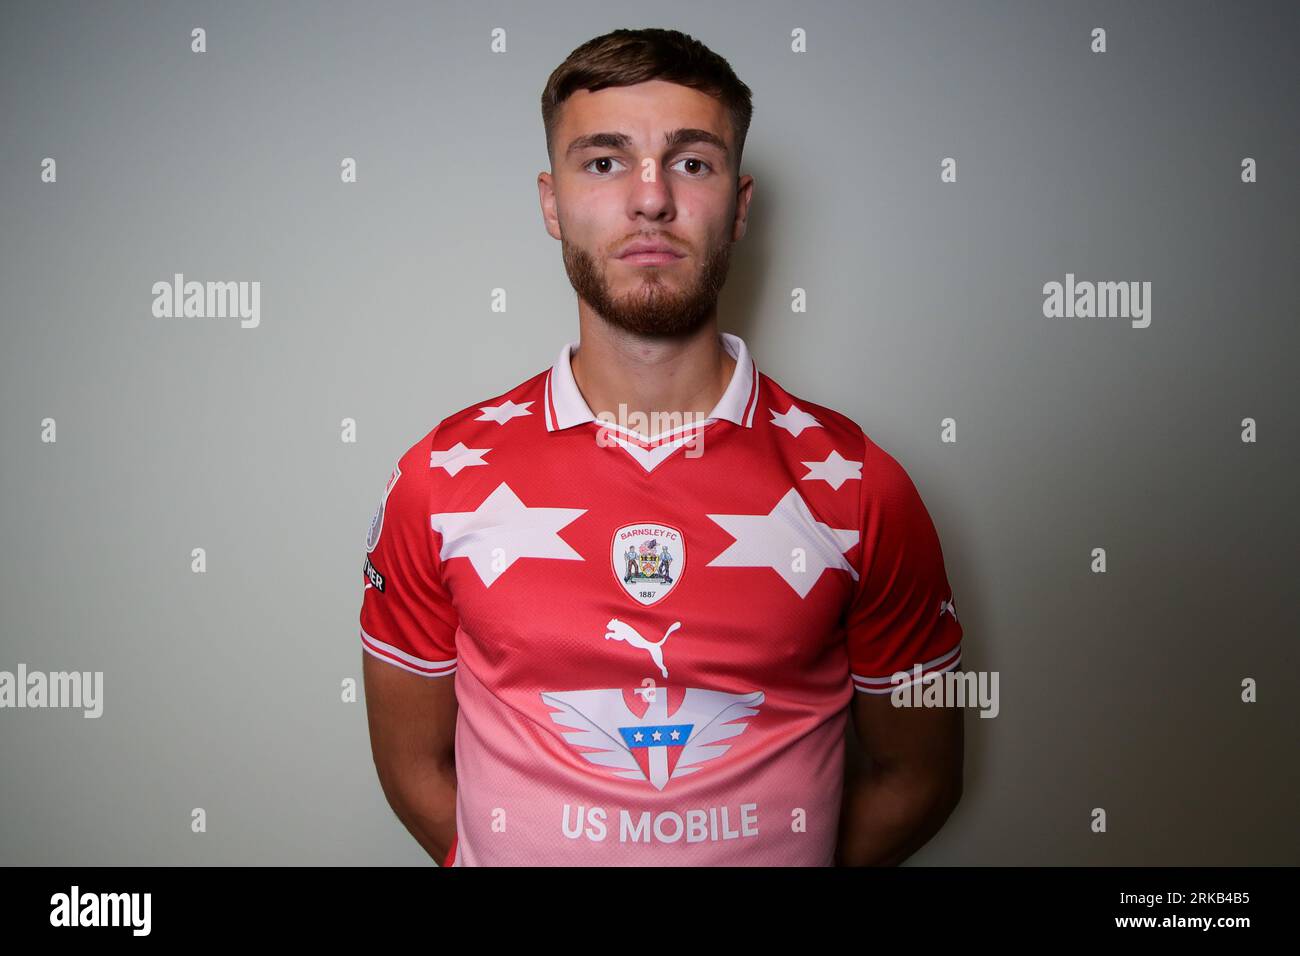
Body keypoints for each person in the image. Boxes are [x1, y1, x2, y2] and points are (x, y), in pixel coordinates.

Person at [360, 27, 964, 867]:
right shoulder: (439, 481)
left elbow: (917, 777)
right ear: (551, 202)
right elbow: (412, 765)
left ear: (741, 204)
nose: (651, 199)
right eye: (604, 162)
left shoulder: (862, 488)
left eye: (691, 162)